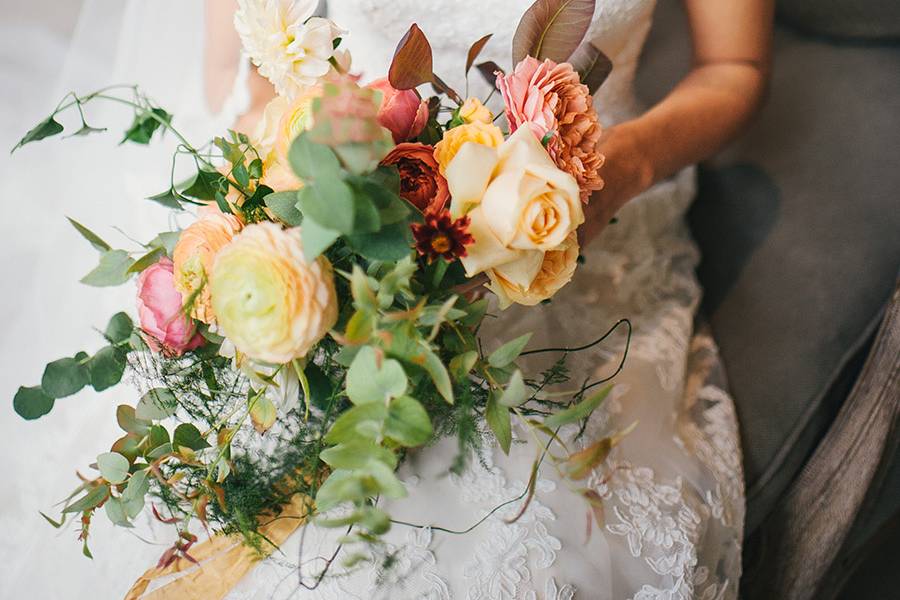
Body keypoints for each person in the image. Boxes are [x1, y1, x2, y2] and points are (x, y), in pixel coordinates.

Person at [208, 1, 773, 598]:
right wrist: (287, 194)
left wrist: (622, 166)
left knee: (528, 538)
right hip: (365, 210)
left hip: (587, 222)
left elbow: (735, 63)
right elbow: (242, 75)